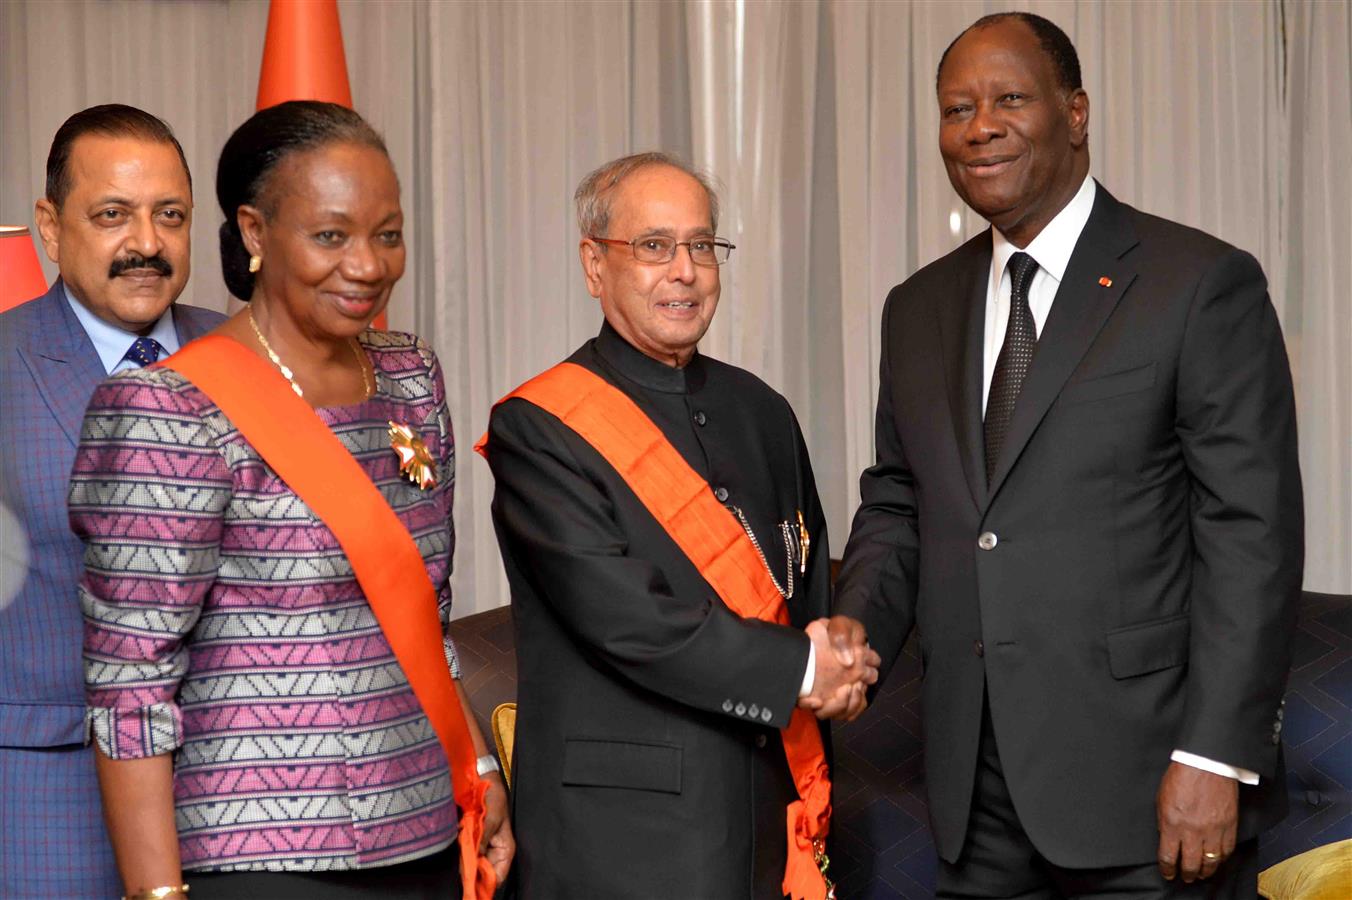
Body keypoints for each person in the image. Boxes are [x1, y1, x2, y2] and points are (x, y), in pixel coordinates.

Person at [832, 11, 1304, 898]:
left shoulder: (1197, 283)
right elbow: (899, 501)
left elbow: (1252, 534)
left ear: (1075, 113)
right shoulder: (917, 308)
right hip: (972, 795)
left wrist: (1215, 756)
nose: (980, 127)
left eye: (1009, 99)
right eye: (957, 108)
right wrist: (854, 629)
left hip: (1148, 789)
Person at [69, 100, 512, 900]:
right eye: (331, 236)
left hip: (428, 827)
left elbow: (426, 613)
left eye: (387, 234)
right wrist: (156, 894)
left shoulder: (410, 375)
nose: (367, 265)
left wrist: (478, 767)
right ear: (255, 231)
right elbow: (131, 683)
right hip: (257, 856)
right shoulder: (170, 408)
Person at [477, 151, 878, 900]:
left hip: (771, 814)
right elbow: (627, 621)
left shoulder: (762, 411)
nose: (685, 271)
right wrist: (804, 670)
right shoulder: (540, 427)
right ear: (595, 265)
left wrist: (842, 666)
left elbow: (805, 584)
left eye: (702, 245)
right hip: (624, 841)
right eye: (654, 246)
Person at [0, 103, 223, 898]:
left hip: (239, 806)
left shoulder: (249, 357)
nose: (147, 243)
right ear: (50, 229)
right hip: (44, 804)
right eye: (112, 215)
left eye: (170, 215)